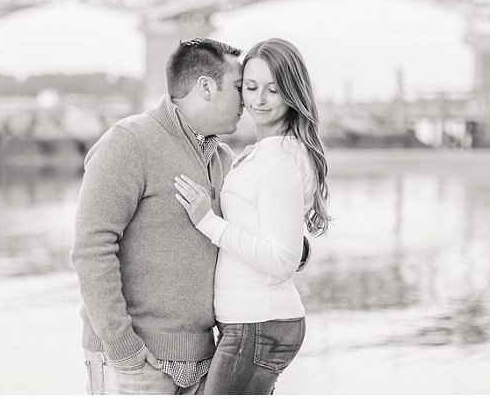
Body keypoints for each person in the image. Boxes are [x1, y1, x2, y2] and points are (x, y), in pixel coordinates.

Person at [70, 38, 244, 395]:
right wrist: (124, 348)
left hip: (203, 360)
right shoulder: (129, 142)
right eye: (240, 87)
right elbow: (92, 248)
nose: (246, 100)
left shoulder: (222, 158)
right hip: (136, 363)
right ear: (207, 87)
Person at [173, 37, 331, 395]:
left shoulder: (279, 160)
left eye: (273, 90)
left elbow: (282, 259)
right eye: (251, 87)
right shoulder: (265, 152)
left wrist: (207, 222)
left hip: (259, 324)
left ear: (292, 92)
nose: (258, 100)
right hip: (250, 324)